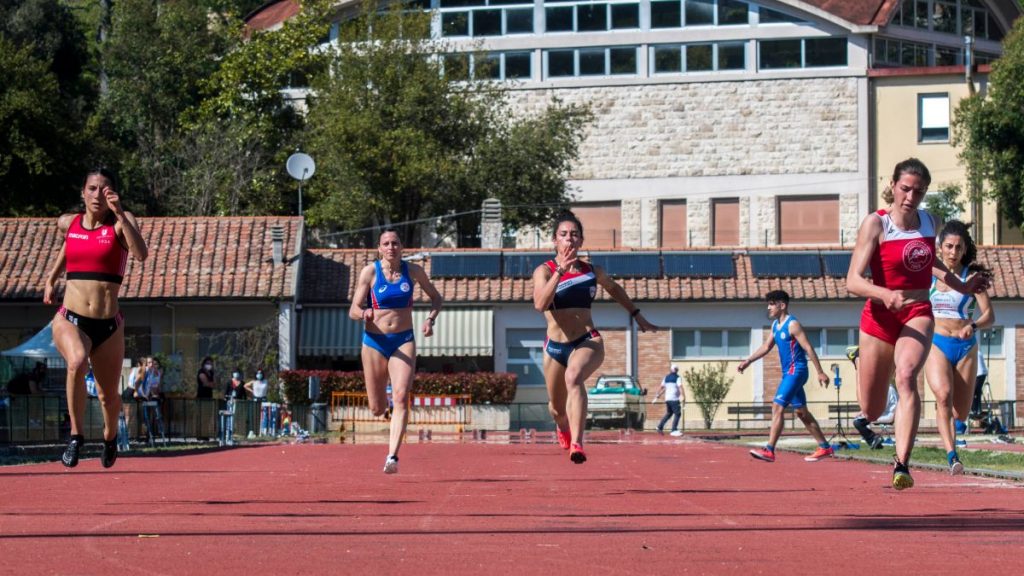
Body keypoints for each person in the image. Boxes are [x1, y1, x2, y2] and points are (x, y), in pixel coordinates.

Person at [846, 158, 988, 490]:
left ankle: (902, 464)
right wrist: (884, 294)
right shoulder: (876, 225)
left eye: (919, 191)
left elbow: (931, 262)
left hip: (917, 312)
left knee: (908, 375)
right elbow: (852, 280)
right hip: (880, 316)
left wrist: (963, 286)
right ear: (893, 186)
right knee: (872, 408)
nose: (911, 197)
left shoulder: (930, 223)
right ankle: (860, 362)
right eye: (906, 189)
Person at [43, 167, 148, 468]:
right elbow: (69, 245)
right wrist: (51, 279)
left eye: (104, 190)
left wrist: (120, 213)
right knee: (77, 361)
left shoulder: (120, 223)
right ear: (82, 193)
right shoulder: (68, 222)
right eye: (91, 188)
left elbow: (140, 254)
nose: (97, 195)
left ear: (113, 194)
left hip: (109, 325)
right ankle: (76, 436)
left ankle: (109, 436)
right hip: (70, 317)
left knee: (108, 396)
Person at [532, 211, 656, 464]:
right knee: (556, 409)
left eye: (574, 235)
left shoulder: (592, 271)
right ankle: (564, 428)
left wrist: (636, 314)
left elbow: (614, 288)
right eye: (564, 235)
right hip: (555, 347)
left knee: (574, 376)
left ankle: (577, 443)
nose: (569, 239)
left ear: (581, 241)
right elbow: (540, 304)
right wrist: (560, 273)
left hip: (587, 340)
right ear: (555, 240)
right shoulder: (544, 270)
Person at [348, 229, 444, 474]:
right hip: (374, 343)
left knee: (401, 396)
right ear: (380, 249)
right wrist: (364, 313)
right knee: (377, 408)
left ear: (402, 247)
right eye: (386, 244)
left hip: (404, 340)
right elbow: (353, 309)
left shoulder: (413, 272)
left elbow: (436, 298)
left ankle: (392, 456)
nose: (391, 247)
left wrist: (430, 320)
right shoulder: (370, 272)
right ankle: (384, 410)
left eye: (395, 243)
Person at [923, 220, 994, 475]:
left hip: (965, 347)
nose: (953, 252)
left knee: (960, 412)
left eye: (958, 247)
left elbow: (989, 315)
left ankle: (949, 425)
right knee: (942, 395)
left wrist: (973, 326)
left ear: (965, 250)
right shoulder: (929, 274)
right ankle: (952, 455)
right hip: (937, 342)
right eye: (949, 246)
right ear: (940, 248)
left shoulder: (972, 278)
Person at [738, 290, 833, 463]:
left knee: (777, 406)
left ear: (782, 305)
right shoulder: (775, 326)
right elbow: (766, 346)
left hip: (797, 371)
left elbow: (809, 348)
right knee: (801, 413)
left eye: (772, 304)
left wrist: (820, 372)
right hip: (788, 373)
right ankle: (825, 447)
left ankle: (769, 450)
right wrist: (748, 361)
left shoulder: (793, 324)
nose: (768, 307)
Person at [846, 346, 898, 450]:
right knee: (859, 420)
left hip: (888, 415)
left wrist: (865, 411)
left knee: (858, 422)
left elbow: (881, 406)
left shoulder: (887, 389)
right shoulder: (884, 387)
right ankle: (874, 439)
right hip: (883, 413)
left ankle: (873, 439)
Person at [652, 365, 685, 436]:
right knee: (678, 413)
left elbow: (662, 388)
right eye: (676, 369)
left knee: (669, 413)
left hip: (667, 399)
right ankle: (674, 430)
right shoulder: (677, 377)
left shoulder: (666, 377)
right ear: (676, 370)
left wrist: (656, 397)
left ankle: (659, 427)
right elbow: (680, 387)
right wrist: (683, 396)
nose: (676, 371)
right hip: (674, 399)